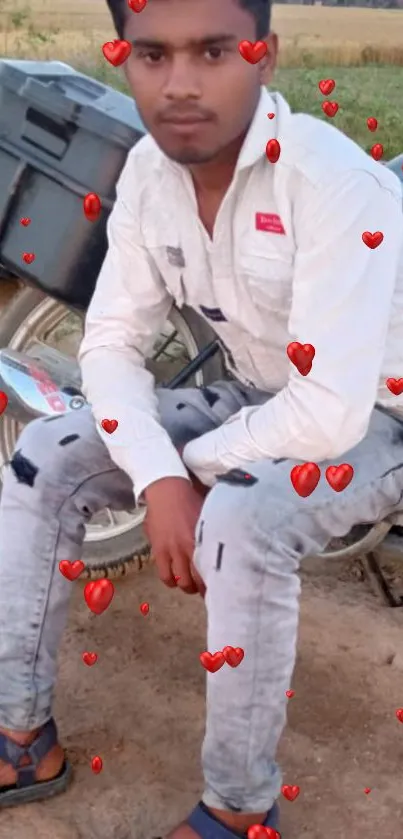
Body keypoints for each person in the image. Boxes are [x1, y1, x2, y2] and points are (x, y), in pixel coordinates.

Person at [0, 0, 403, 835]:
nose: (180, 84)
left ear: (265, 55)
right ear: (125, 60)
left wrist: (190, 473)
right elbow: (111, 340)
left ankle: (237, 805)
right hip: (255, 395)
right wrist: (156, 472)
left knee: (242, 514)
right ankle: (20, 733)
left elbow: (329, 408)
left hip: (375, 417)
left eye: (214, 50)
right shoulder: (149, 173)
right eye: (152, 55)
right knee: (45, 451)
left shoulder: (334, 184)